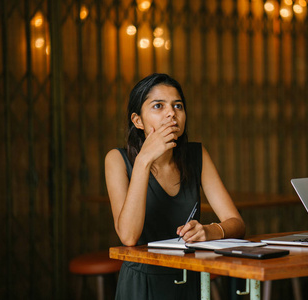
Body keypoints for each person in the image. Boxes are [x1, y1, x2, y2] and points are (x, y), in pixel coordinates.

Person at [105, 73, 246, 299]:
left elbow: (237, 223)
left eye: (178, 106)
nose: (171, 113)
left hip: (191, 279)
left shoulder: (196, 155)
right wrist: (143, 160)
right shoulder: (117, 159)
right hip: (143, 284)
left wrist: (209, 231)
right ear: (137, 121)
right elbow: (129, 237)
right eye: (158, 106)